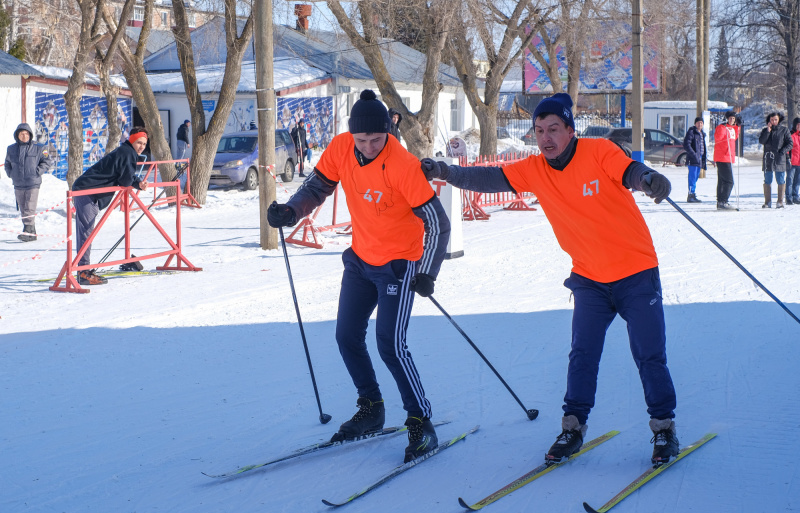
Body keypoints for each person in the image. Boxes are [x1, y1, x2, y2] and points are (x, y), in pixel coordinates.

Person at [420, 93, 680, 466]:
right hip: (589, 279)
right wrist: (445, 171)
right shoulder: (535, 169)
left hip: (635, 273)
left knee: (649, 354)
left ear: (570, 130)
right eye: (539, 130)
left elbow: (629, 171)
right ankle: (572, 427)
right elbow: (488, 177)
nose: (546, 138)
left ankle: (664, 430)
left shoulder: (598, 151)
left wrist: (649, 179)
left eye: (554, 129)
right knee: (583, 354)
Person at [268, 90, 451, 463]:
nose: (368, 146)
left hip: (399, 265)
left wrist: (428, 273)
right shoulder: (340, 148)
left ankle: (421, 422)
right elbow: (317, 187)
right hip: (361, 260)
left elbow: (438, 224)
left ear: (388, 132)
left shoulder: (402, 165)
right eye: (361, 139)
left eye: (376, 139)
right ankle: (372, 408)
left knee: (390, 344)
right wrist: (291, 212)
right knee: (346, 336)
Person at [71, 127, 149, 285]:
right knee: (86, 232)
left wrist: (138, 182)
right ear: (132, 141)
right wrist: (135, 182)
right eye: (139, 142)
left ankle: (84, 269)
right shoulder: (128, 154)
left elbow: (125, 175)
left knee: (87, 231)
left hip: (88, 191)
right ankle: (83, 271)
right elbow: (125, 180)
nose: (141, 146)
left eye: (144, 144)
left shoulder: (126, 151)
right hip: (86, 191)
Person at [4, 123, 52, 242]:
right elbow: (7, 164)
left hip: (32, 183)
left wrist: (37, 171)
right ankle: (32, 232)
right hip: (18, 183)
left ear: (30, 134)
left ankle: (27, 231)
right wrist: (11, 174)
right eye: (21, 134)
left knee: (30, 207)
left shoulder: (40, 147)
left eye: (26, 133)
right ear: (17, 135)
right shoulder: (11, 149)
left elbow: (46, 161)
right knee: (23, 207)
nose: (24, 136)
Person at [759, 112, 793, 208]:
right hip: (768, 158)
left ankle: (780, 202)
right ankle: (767, 202)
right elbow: (762, 141)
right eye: (772, 119)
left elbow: (790, 143)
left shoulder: (784, 130)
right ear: (769, 120)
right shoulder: (765, 130)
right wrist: (768, 131)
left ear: (779, 120)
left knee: (780, 179)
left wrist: (783, 151)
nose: (773, 121)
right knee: (767, 180)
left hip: (780, 159)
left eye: (775, 119)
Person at [713, 111, 740, 210]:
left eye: (733, 118)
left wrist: (738, 126)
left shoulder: (733, 128)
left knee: (722, 180)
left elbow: (735, 137)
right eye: (730, 118)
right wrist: (723, 128)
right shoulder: (722, 127)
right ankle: (723, 200)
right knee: (729, 181)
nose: (732, 120)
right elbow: (718, 138)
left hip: (728, 157)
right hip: (722, 157)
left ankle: (720, 201)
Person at [682, 117, 706, 203]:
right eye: (698, 123)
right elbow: (686, 144)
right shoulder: (692, 132)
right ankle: (690, 195)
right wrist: (694, 154)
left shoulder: (702, 134)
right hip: (693, 159)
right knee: (692, 177)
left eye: (701, 123)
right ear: (695, 124)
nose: (700, 124)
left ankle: (693, 193)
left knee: (695, 177)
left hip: (699, 159)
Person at [787, 118, 800, 205]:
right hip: (792, 162)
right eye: (798, 125)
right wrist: (787, 158)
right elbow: (788, 148)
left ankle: (796, 196)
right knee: (790, 180)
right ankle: (788, 197)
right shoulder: (791, 134)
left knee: (797, 181)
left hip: (799, 162)